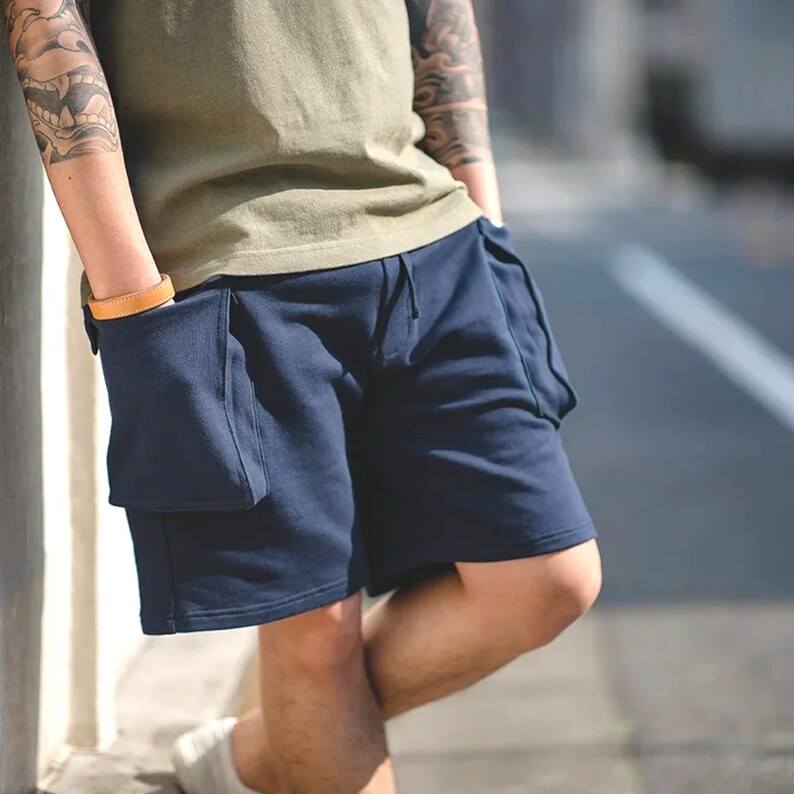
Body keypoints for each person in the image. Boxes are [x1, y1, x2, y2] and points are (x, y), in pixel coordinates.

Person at [3, 0, 602, 791]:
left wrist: (483, 213)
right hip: (234, 264)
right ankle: (288, 735)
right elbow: (44, 16)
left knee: (549, 579)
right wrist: (129, 292)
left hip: (433, 234)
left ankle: (259, 750)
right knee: (315, 640)